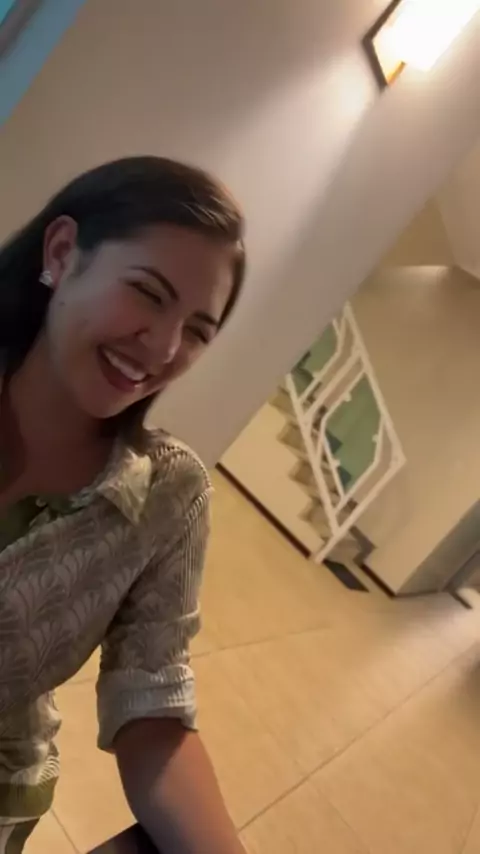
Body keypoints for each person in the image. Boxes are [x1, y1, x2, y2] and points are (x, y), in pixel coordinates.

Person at [0, 156, 247, 854]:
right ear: (61, 254)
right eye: (147, 293)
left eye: (197, 330)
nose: (164, 347)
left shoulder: (168, 494)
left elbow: (152, 701)